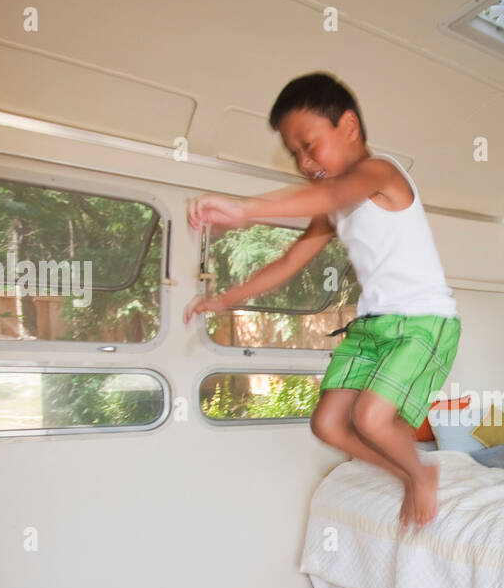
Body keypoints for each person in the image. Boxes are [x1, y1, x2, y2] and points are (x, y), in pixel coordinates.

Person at [184, 72, 460, 528]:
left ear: (348, 126)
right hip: (373, 324)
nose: (304, 160)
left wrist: (245, 209)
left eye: (309, 145)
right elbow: (291, 262)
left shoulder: (381, 172)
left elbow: (330, 191)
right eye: (295, 153)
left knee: (371, 419)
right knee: (328, 425)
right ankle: (404, 471)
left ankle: (421, 473)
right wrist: (223, 300)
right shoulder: (335, 207)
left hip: (423, 320)